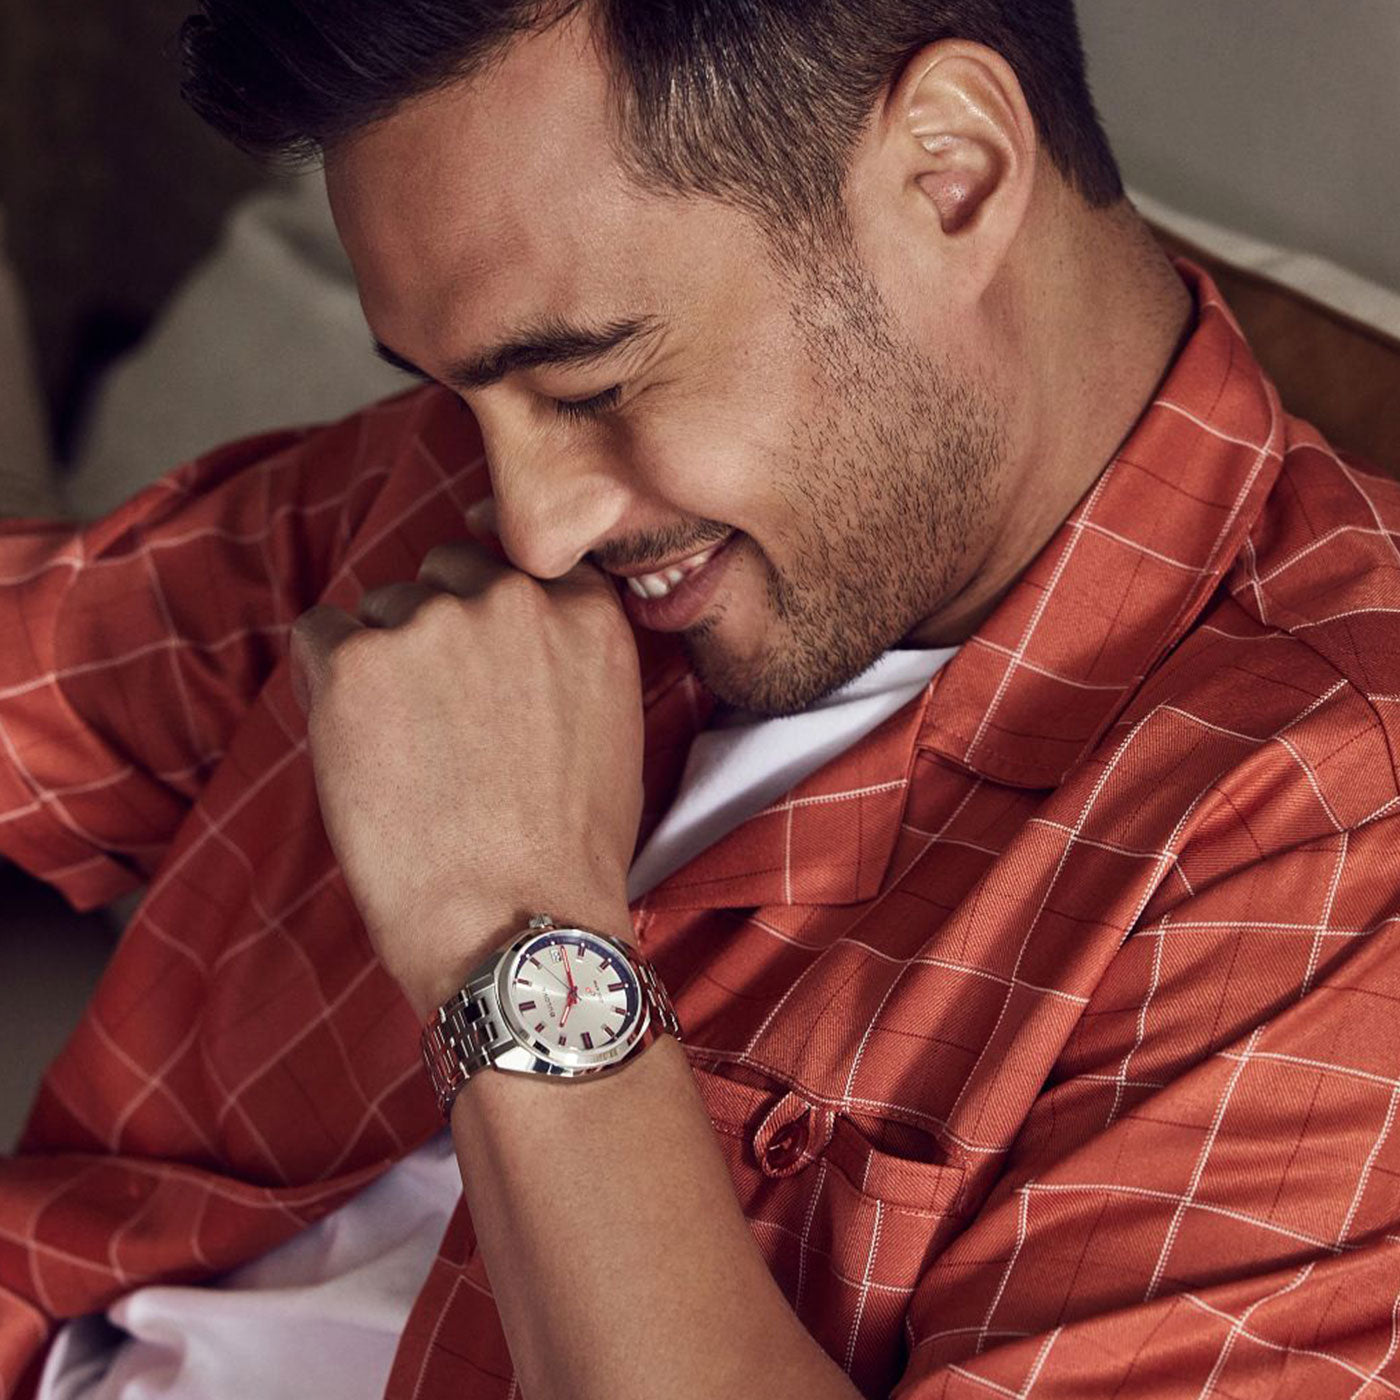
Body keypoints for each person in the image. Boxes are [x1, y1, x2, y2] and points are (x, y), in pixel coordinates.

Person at [2, 1, 1398, 1396]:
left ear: (951, 173)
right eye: (462, 394)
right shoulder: (487, 486)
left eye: (591, 379)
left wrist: (514, 938)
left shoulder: (1324, 837)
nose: (533, 527)